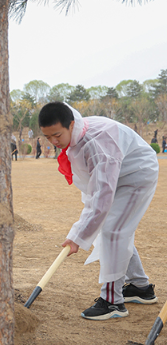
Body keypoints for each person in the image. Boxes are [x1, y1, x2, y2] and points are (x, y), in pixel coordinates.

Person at [39, 102, 158, 321]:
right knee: (115, 229)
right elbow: (94, 191)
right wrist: (80, 231)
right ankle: (141, 287)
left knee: (114, 230)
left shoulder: (97, 144)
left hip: (137, 173)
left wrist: (77, 237)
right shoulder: (77, 137)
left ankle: (113, 302)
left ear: (71, 124)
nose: (54, 142)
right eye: (47, 138)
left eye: (57, 135)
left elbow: (101, 198)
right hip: (118, 172)